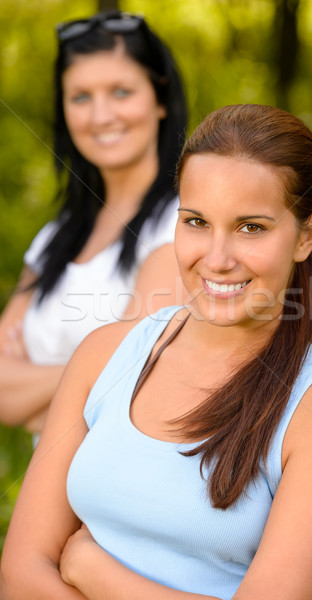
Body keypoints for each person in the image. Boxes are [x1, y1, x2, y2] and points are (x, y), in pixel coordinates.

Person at [0, 104, 312, 600]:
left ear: (306, 235)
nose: (216, 259)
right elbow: (20, 573)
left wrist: (94, 571)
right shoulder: (105, 355)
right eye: (196, 221)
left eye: (250, 227)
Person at [0, 11, 187, 434]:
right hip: (41, 495)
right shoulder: (55, 237)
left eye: (121, 91)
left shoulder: (182, 227)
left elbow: (136, 389)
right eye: (81, 97)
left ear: (159, 99)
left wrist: (36, 392)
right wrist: (90, 379)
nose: (100, 116)